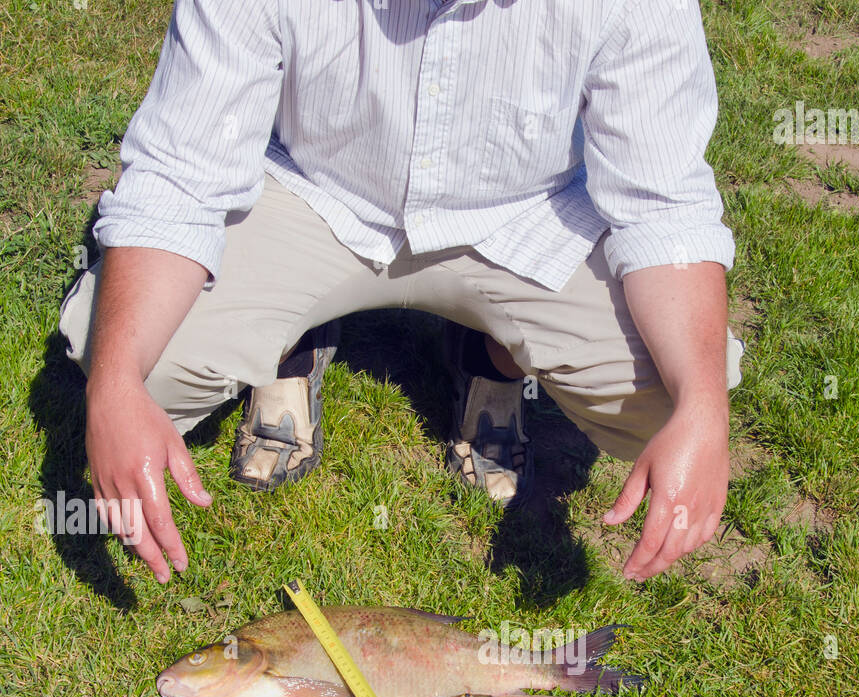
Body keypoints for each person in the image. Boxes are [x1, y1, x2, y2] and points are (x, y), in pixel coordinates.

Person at [60, 0, 744, 585]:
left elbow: (661, 209)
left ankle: (493, 355)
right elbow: (179, 181)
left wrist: (704, 409)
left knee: (674, 399)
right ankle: (286, 340)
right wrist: (115, 384)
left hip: (524, 218)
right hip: (313, 194)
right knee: (130, 364)